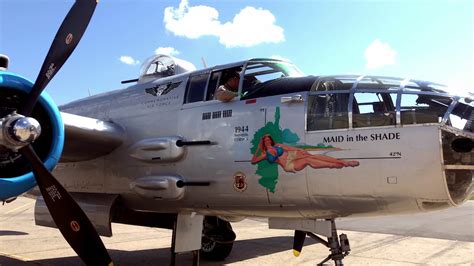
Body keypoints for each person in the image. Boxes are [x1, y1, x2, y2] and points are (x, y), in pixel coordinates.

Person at [251, 134, 359, 173]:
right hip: (287, 164)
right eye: (265, 141)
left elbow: (289, 148)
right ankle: (335, 164)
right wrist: (258, 147)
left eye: (268, 140)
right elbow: (253, 161)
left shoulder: (278, 145)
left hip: (291, 155)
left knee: (311, 156)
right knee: (308, 160)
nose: (267, 141)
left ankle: (343, 162)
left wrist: (299, 150)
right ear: (263, 143)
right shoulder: (265, 154)